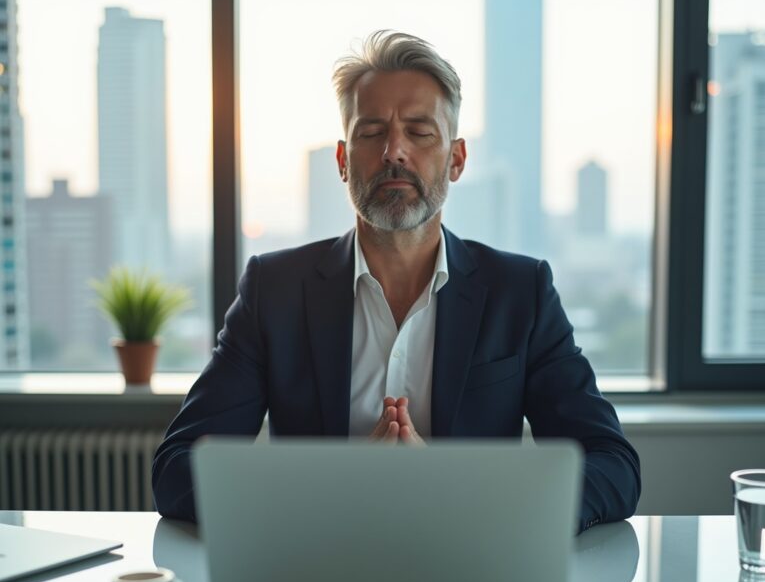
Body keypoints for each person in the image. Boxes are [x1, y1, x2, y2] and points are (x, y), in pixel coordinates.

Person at [152, 30, 640, 532]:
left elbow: (613, 467)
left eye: (419, 131)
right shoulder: (273, 290)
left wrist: (451, 487)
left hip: (474, 577)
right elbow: (176, 470)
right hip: (316, 573)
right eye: (371, 132)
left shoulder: (522, 292)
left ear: (456, 159)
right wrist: (343, 484)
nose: (394, 151)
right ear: (342, 161)